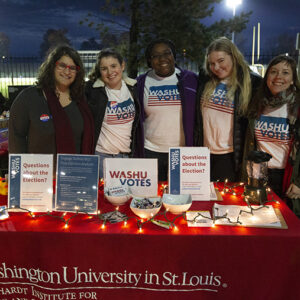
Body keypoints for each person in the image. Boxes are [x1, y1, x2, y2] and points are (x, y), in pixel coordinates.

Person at [194, 36, 261, 182]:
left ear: (233, 56)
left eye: (221, 61)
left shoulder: (251, 82)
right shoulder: (206, 79)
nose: (216, 68)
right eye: (212, 63)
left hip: (229, 156)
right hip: (202, 154)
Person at [9, 45, 94, 155]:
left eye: (72, 68)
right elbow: (16, 138)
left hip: (74, 170)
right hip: (39, 170)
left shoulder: (81, 100)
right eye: (62, 65)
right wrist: (20, 169)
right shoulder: (29, 98)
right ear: (52, 66)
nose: (67, 72)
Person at [136, 38, 198, 181]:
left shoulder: (191, 80)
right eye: (155, 56)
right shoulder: (140, 83)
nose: (162, 59)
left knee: (178, 198)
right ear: (149, 61)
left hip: (182, 153)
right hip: (150, 151)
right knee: (153, 197)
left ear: (173, 56)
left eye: (166, 53)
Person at [245, 55, 300, 212]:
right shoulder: (258, 104)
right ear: (267, 76)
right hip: (260, 175)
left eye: (285, 72)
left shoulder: (297, 106)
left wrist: (299, 182)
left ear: (292, 79)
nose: (278, 77)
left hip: (288, 178)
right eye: (273, 72)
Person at [85, 48, 140, 178]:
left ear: (122, 65)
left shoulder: (134, 88)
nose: (110, 72)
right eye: (104, 68)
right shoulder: (92, 91)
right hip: (100, 157)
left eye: (113, 66)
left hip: (126, 157)